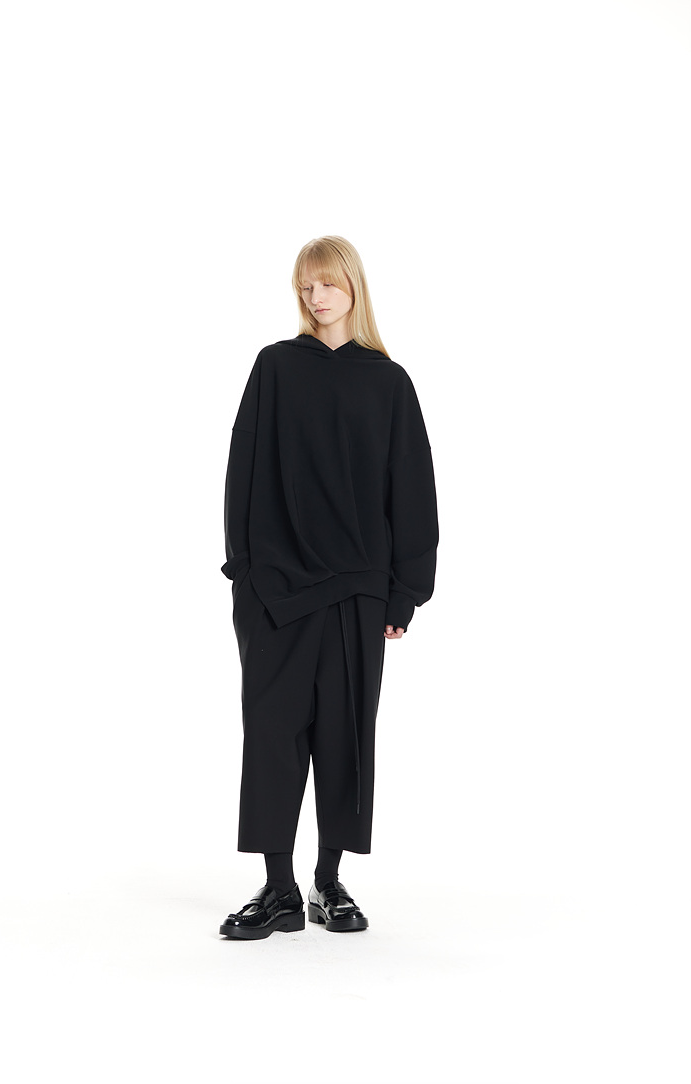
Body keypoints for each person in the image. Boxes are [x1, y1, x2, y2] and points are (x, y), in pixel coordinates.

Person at [218, 235, 438, 940]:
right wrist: (244, 573)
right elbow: (243, 470)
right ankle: (279, 887)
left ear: (353, 286)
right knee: (272, 735)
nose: (316, 298)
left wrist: (406, 591)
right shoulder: (276, 367)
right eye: (305, 287)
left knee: (345, 739)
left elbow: (412, 491)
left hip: (358, 592)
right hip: (276, 589)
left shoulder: (389, 382)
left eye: (327, 284)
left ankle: (328, 880)